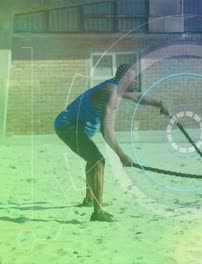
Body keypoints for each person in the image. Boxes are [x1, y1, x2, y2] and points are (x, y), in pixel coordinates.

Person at [54, 64, 169, 222]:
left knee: (92, 159)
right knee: (98, 161)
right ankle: (98, 213)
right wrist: (121, 155)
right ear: (123, 79)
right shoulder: (110, 92)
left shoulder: (116, 88)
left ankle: (89, 199)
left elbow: (137, 98)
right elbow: (106, 129)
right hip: (68, 126)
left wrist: (158, 103)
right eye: (132, 77)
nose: (135, 80)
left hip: (75, 127)